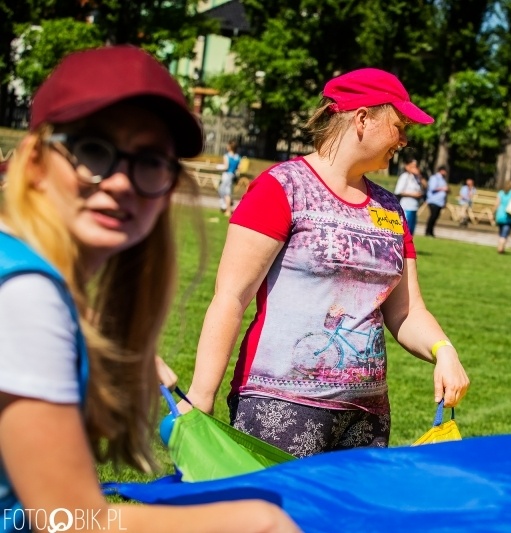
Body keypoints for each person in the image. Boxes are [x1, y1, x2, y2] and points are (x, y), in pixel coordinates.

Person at [0, 46, 297, 532]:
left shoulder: (29, 278)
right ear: (34, 162)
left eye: (151, 160)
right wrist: (256, 522)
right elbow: (67, 518)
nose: (120, 182)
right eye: (92, 149)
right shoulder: (24, 295)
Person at [183, 68, 469, 458]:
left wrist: (444, 350)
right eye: (399, 126)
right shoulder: (281, 187)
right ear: (363, 118)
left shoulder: (390, 209)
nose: (404, 140)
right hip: (280, 405)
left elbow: (406, 310)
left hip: (366, 417)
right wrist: (201, 396)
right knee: (274, 519)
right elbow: (231, 297)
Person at [394, 155, 425, 235]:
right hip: (406, 206)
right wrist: (413, 195)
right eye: (412, 166)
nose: (414, 168)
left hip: (414, 206)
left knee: (411, 230)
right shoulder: (404, 177)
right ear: (407, 166)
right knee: (405, 229)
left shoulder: (417, 178)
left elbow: (426, 186)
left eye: (416, 166)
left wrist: (419, 176)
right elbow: (398, 191)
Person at [493, 179, 511, 254]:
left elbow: (496, 204)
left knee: (501, 232)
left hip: (499, 215)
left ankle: (500, 247)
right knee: (504, 234)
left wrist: (494, 213)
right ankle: (501, 249)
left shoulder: (501, 193)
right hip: (509, 216)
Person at [217, 140, 242, 217]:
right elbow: (239, 168)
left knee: (223, 191)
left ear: (230, 147)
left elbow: (226, 167)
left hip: (227, 175)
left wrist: (218, 167)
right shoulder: (238, 157)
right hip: (233, 176)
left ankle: (227, 209)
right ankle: (228, 205)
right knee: (228, 191)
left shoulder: (226, 156)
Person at [424, 165, 449, 237]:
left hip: (440, 202)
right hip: (433, 200)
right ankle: (428, 231)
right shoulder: (435, 178)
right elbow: (432, 188)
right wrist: (443, 189)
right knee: (433, 216)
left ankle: (431, 231)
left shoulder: (443, 179)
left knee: (435, 217)